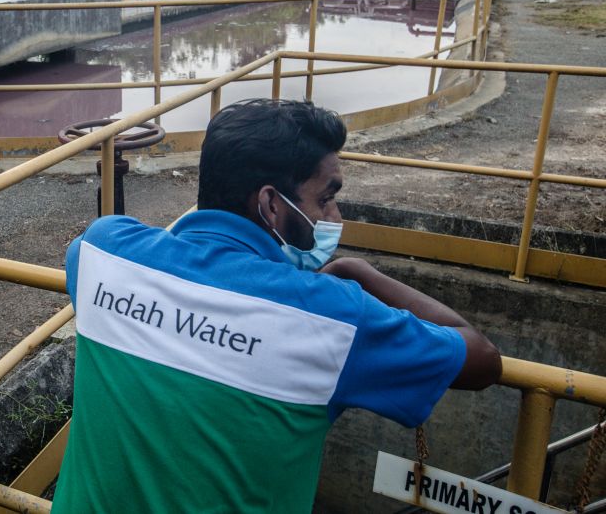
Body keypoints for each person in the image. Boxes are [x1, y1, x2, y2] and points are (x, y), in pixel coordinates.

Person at [53, 98, 502, 513]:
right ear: (270, 203)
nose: (334, 218)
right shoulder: (332, 318)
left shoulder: (101, 250)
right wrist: (358, 273)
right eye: (325, 199)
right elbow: (481, 360)